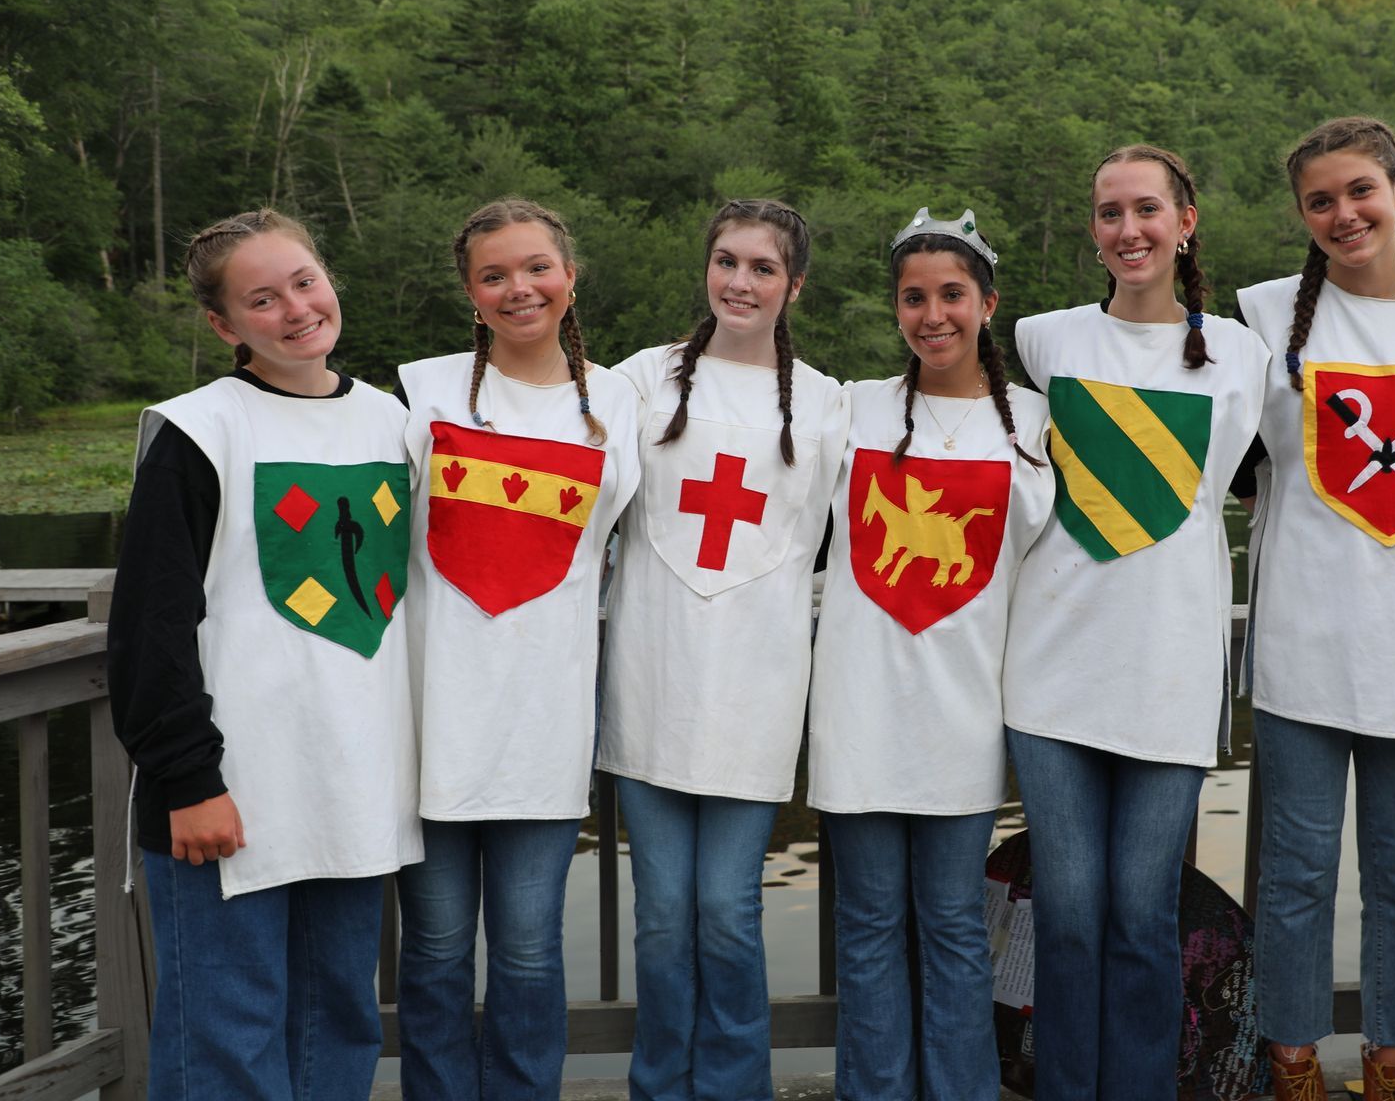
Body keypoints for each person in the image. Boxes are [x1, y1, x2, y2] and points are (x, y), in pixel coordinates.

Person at [107, 210, 421, 1101]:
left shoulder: (390, 424)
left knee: (339, 1030)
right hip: (228, 796)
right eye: (261, 298)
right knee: (227, 1044)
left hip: (351, 790)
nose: (294, 309)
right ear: (223, 325)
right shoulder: (197, 433)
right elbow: (150, 629)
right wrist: (187, 779)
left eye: (305, 282)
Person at [1234, 116, 1395, 1099]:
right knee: (1295, 880)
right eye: (1320, 200)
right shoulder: (1261, 317)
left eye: (1359, 191)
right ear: (1302, 215)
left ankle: (1393, 1063)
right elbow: (1213, 450)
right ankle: (1293, 1061)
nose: (1344, 213)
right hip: (1301, 651)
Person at [1002, 146, 1270, 1100]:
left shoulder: (1245, 354)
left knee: (1144, 917)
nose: (1129, 230)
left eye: (1147, 209)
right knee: (1069, 916)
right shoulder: (1043, 339)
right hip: (1051, 673)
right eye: (1109, 213)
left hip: (1173, 674)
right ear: (1093, 231)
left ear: (1185, 219)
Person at [596, 198, 850, 1101]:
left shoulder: (827, 405)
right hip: (650, 681)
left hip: (757, 693)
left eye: (763, 268)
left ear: (795, 286)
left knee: (728, 918)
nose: (741, 282)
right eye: (727, 262)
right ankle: (661, 1089)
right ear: (706, 268)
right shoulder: (638, 381)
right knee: (663, 920)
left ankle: (735, 1089)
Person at [392, 199, 640, 1100]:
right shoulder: (419, 396)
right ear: (470, 292)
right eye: (493, 274)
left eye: (535, 267)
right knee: (435, 948)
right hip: (434, 718)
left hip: (545, 719)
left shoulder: (617, 403)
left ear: (570, 276)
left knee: (531, 953)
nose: (518, 288)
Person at [808, 208, 1053, 1101]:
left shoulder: (1035, 422)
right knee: (869, 923)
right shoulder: (851, 408)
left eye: (952, 294)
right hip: (860, 712)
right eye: (914, 297)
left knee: (953, 924)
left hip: (963, 718)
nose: (933, 314)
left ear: (987, 303)